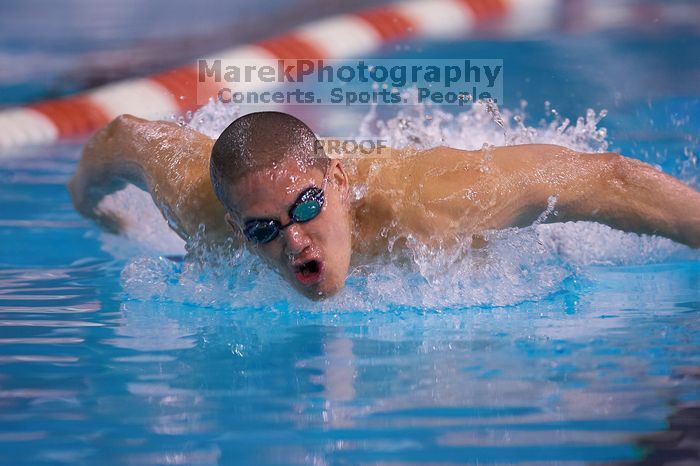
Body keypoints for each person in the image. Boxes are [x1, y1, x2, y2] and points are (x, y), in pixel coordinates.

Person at [68, 111, 700, 299]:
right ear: (235, 226)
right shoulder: (200, 208)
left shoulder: (429, 205)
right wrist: (87, 203)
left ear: (337, 183)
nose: (293, 241)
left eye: (307, 205)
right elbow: (125, 139)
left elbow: (606, 181)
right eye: (263, 229)